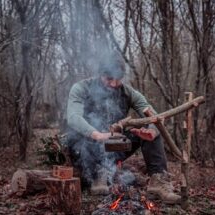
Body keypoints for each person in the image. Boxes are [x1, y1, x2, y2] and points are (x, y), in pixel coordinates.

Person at [65, 56, 181, 204]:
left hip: (115, 147)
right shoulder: (81, 88)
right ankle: (97, 175)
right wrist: (97, 135)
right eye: (109, 79)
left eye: (118, 79)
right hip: (86, 149)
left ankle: (158, 182)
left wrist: (152, 131)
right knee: (76, 134)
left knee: (152, 127)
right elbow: (73, 117)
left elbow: (154, 116)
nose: (113, 84)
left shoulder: (129, 93)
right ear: (100, 74)